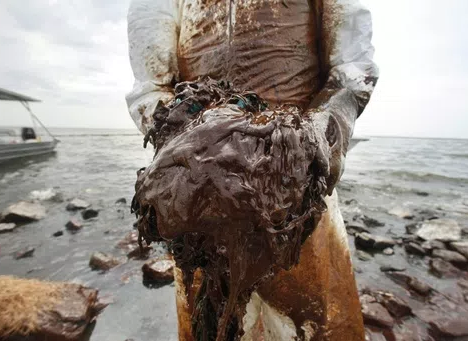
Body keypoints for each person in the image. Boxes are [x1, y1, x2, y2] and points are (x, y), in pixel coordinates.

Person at [126, 1, 378, 340]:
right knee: (209, 324)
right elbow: (152, 85)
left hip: (296, 193)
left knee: (317, 323)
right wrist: (185, 139)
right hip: (198, 202)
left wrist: (315, 139)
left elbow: (350, 72)